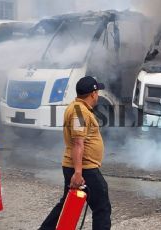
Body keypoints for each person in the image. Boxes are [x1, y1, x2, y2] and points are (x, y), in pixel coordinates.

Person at [40, 76, 111, 230]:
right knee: (102, 208)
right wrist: (78, 173)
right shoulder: (79, 112)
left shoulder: (76, 107)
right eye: (97, 92)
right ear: (93, 94)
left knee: (66, 204)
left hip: (76, 166)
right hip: (85, 168)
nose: (97, 95)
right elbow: (78, 142)